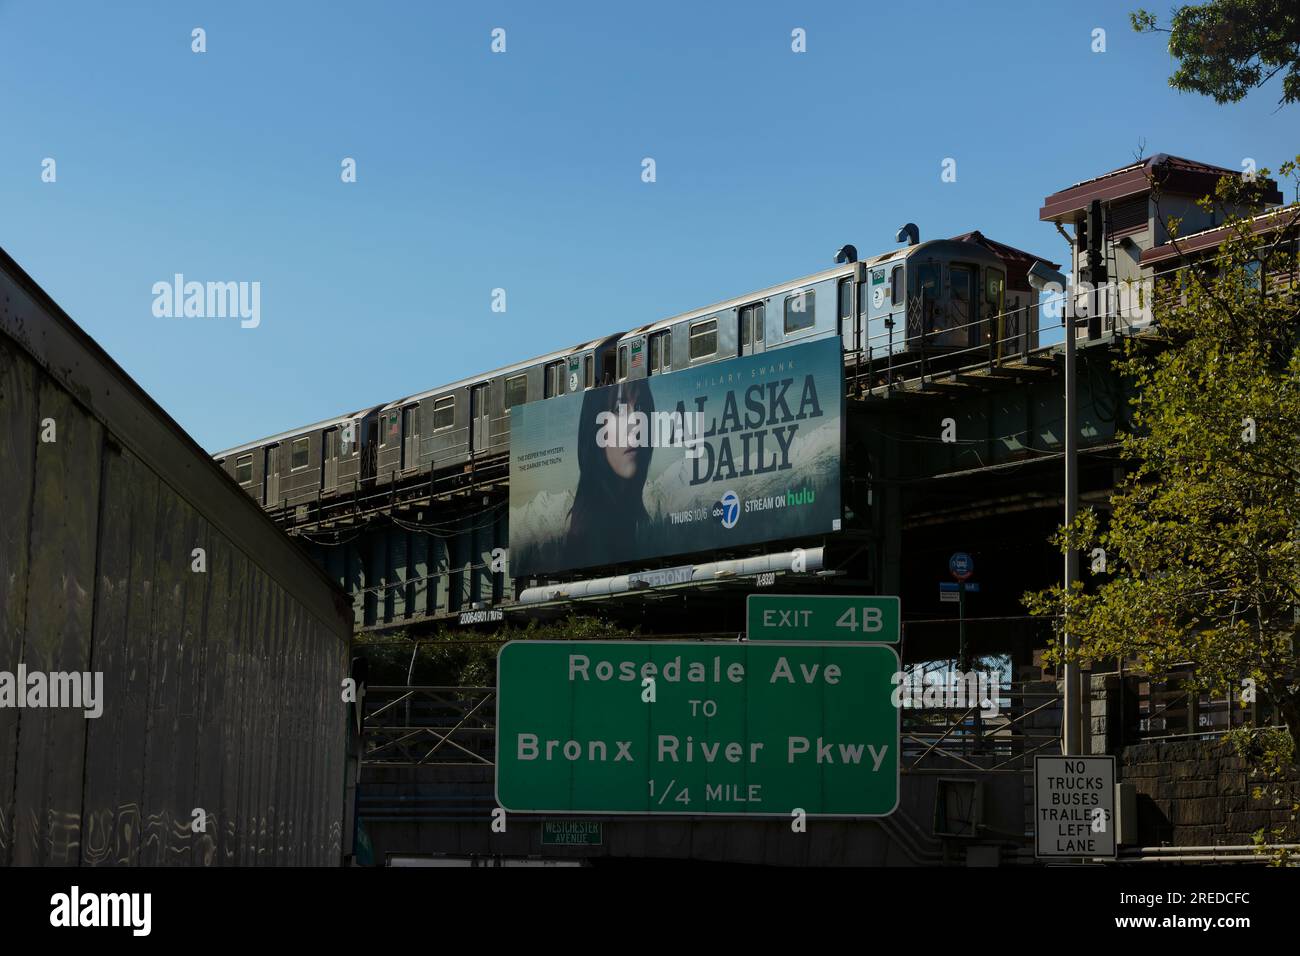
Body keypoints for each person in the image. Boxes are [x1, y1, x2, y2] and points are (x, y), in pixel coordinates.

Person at [564, 378, 655, 569]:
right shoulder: (587, 535)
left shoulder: (628, 518)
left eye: (639, 406)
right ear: (595, 427)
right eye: (619, 409)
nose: (635, 424)